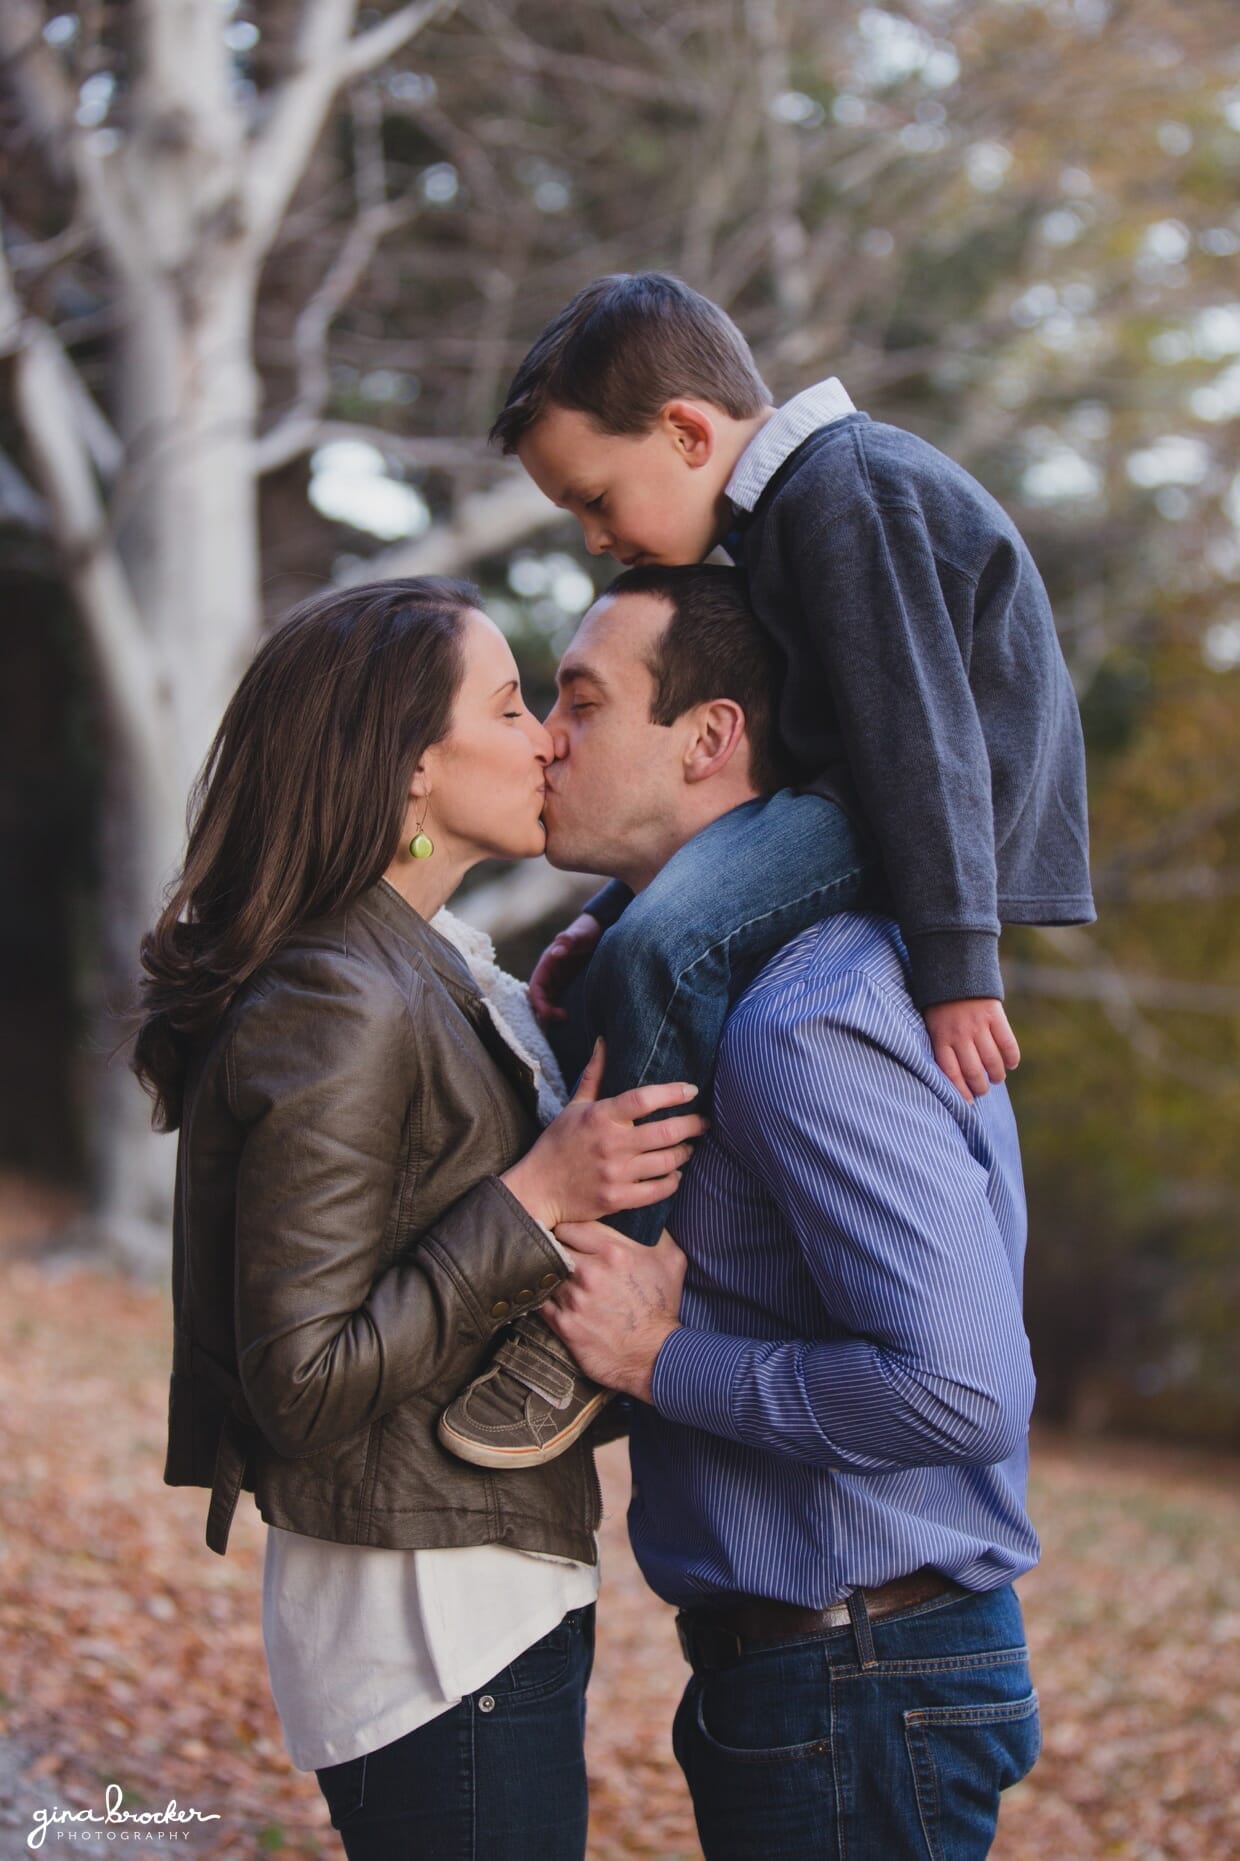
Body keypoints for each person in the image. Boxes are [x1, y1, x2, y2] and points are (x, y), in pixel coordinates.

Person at [131, 577, 706, 1860]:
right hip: (426, 1619)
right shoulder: (338, 994)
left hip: (475, 1582)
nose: (548, 735)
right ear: (408, 771)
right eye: (510, 707)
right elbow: (300, 1378)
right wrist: (535, 1197)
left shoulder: (427, 964)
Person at [538, 569, 1042, 1858]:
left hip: (859, 1676)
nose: (546, 737)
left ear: (708, 737)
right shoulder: (708, 987)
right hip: (825, 1678)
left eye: (580, 703)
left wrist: (660, 1360)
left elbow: (963, 1390)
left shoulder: (803, 1016)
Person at [494, 269, 1094, 1195]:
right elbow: (770, 778)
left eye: (597, 499)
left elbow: (922, 734)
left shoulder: (843, 490)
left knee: (668, 948)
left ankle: (612, 1246)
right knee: (624, 947)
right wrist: (603, 910)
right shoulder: (784, 512)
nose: (593, 538)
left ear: (687, 433)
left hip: (927, 801)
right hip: (861, 793)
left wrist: (958, 964)